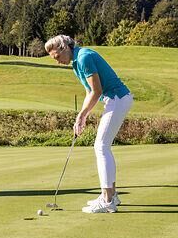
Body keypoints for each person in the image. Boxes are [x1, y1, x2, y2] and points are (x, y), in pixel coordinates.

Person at [44, 35, 133, 213]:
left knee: (101, 146)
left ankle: (108, 200)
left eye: (57, 57)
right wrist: (81, 117)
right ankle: (111, 195)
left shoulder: (84, 57)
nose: (58, 62)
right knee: (102, 146)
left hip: (118, 98)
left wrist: (83, 114)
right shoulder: (76, 63)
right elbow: (89, 92)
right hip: (114, 100)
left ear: (64, 49)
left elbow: (97, 90)